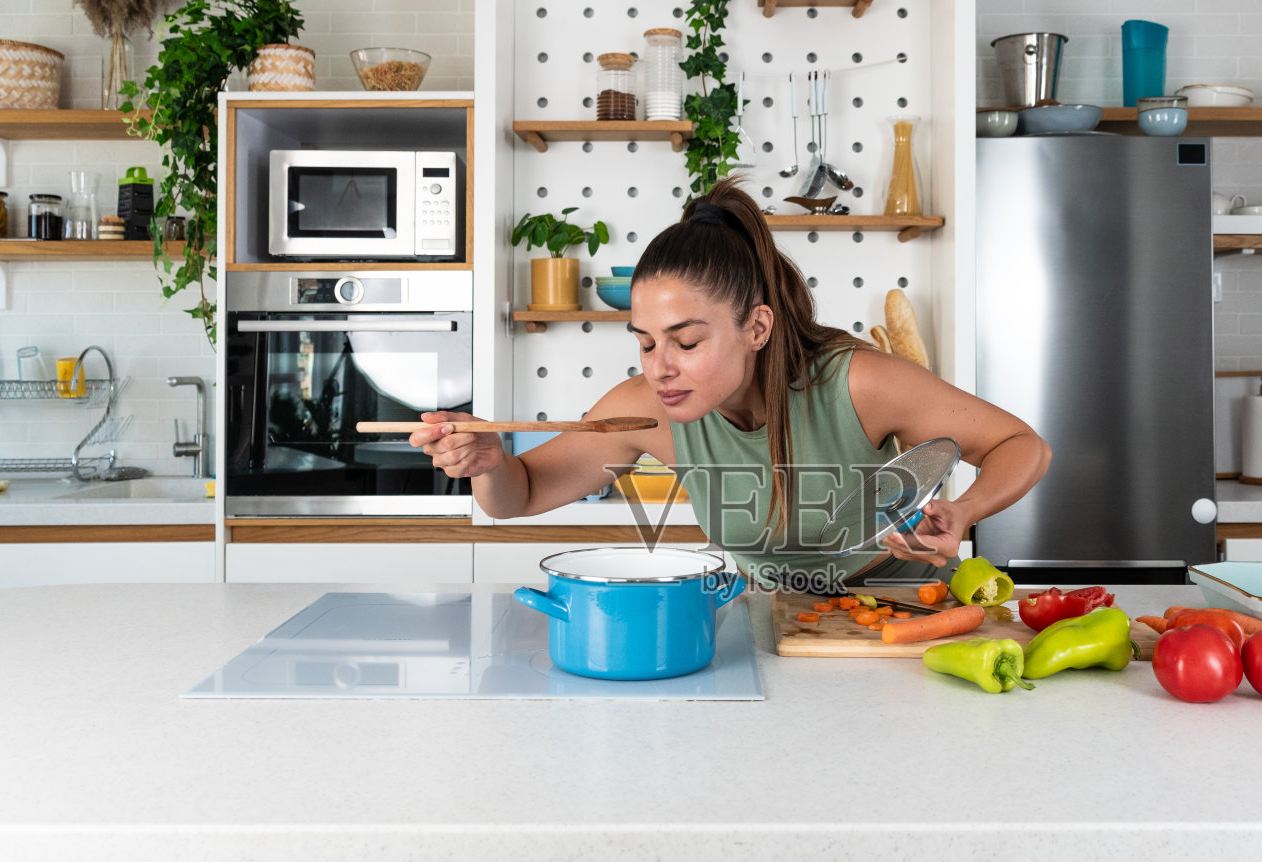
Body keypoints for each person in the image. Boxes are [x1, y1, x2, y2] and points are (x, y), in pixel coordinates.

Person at [407, 179, 1051, 592]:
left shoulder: (860, 383)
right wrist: (489, 462)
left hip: (907, 610)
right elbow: (518, 497)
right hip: (770, 618)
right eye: (645, 341)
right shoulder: (645, 409)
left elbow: (1022, 444)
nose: (660, 366)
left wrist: (962, 513)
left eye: (686, 342)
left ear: (757, 327)